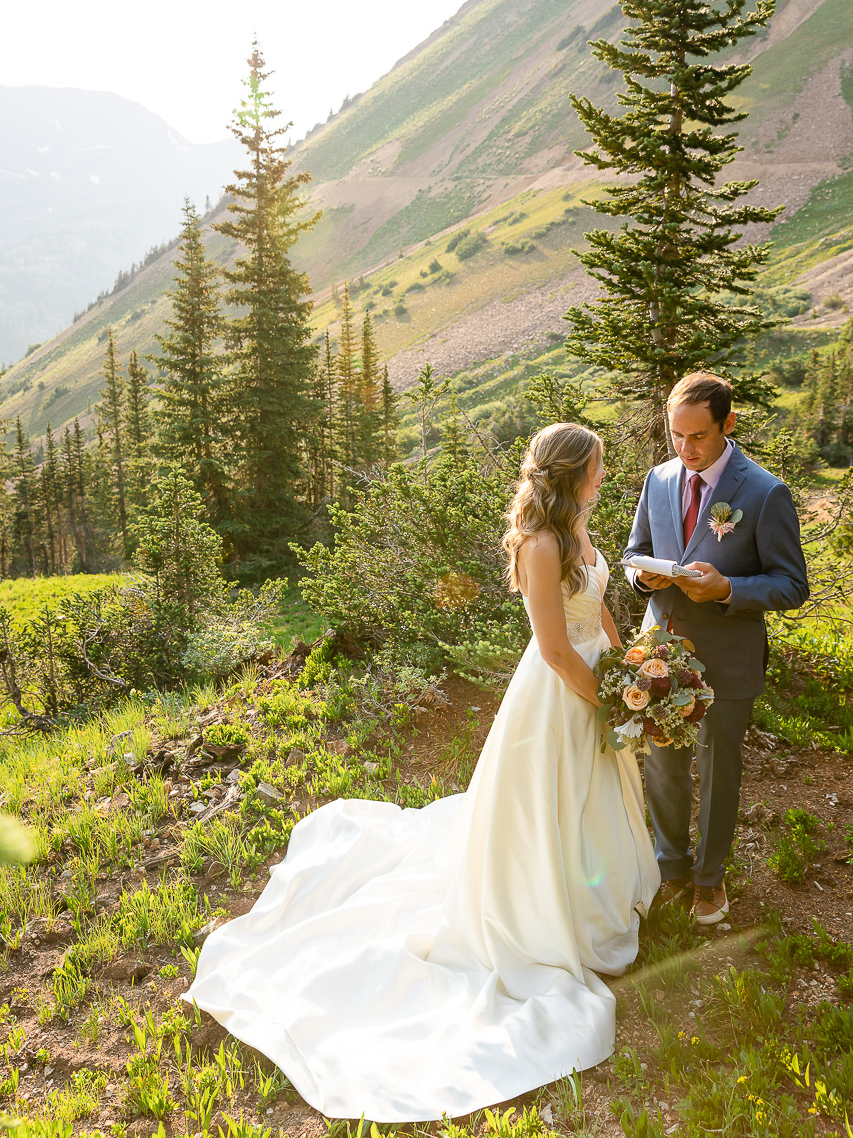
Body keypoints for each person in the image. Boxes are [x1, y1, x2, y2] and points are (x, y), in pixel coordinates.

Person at [184, 423, 659, 1121]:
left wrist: (630, 670)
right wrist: (608, 700)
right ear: (567, 473)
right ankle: (542, 915)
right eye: (596, 466)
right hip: (559, 698)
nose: (603, 476)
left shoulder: (582, 528)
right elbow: (556, 651)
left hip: (599, 684)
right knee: (546, 807)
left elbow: (601, 617)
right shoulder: (539, 543)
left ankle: (595, 905)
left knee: (594, 802)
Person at [624, 372, 809, 926]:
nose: (685, 449)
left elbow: (792, 585)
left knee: (718, 769)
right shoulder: (658, 480)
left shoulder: (765, 492)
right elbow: (637, 552)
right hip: (664, 650)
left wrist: (728, 588)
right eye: (675, 436)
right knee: (663, 767)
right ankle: (671, 868)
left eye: (697, 437)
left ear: (727, 425)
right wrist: (643, 581)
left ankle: (710, 879)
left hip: (728, 657)